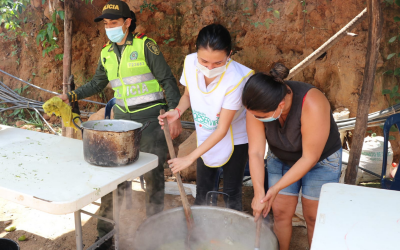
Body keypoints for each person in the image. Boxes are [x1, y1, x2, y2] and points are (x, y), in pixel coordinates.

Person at [57, 0, 182, 249]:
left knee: (153, 177)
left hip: (150, 122)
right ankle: (105, 234)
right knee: (114, 178)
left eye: (113, 23)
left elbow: (167, 80)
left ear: (127, 23)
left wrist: (174, 113)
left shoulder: (146, 45)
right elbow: (96, 83)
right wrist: (70, 96)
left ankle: (153, 232)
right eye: (106, 24)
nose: (109, 28)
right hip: (122, 124)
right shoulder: (106, 52)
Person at [242, 63, 342, 250]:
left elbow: (309, 157)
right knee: (280, 213)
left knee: (314, 217)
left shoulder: (312, 102)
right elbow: (255, 152)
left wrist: (275, 188)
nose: (256, 118)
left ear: (280, 105)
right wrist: (259, 193)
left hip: (320, 160)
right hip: (281, 157)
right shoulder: (255, 105)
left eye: (260, 116)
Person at [158, 24, 253, 211]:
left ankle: (231, 236)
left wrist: (189, 158)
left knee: (231, 193)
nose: (209, 68)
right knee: (203, 190)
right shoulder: (190, 63)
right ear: (196, 53)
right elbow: (188, 95)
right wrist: (176, 112)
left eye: (218, 63)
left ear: (229, 55)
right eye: (204, 61)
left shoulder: (237, 79)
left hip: (234, 138)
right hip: (205, 133)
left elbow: (222, 129)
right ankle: (199, 234)